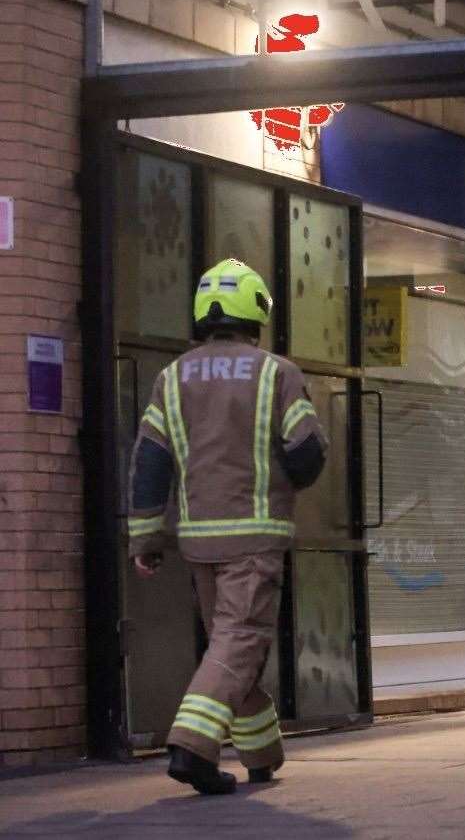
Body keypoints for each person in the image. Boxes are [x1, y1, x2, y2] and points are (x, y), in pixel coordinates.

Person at [123, 259, 328, 794]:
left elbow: (149, 463)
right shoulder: (276, 373)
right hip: (255, 540)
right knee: (239, 643)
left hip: (198, 542)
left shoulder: (171, 379)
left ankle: (262, 754)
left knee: (232, 648)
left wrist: (145, 537)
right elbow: (305, 452)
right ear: (257, 310)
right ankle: (191, 748)